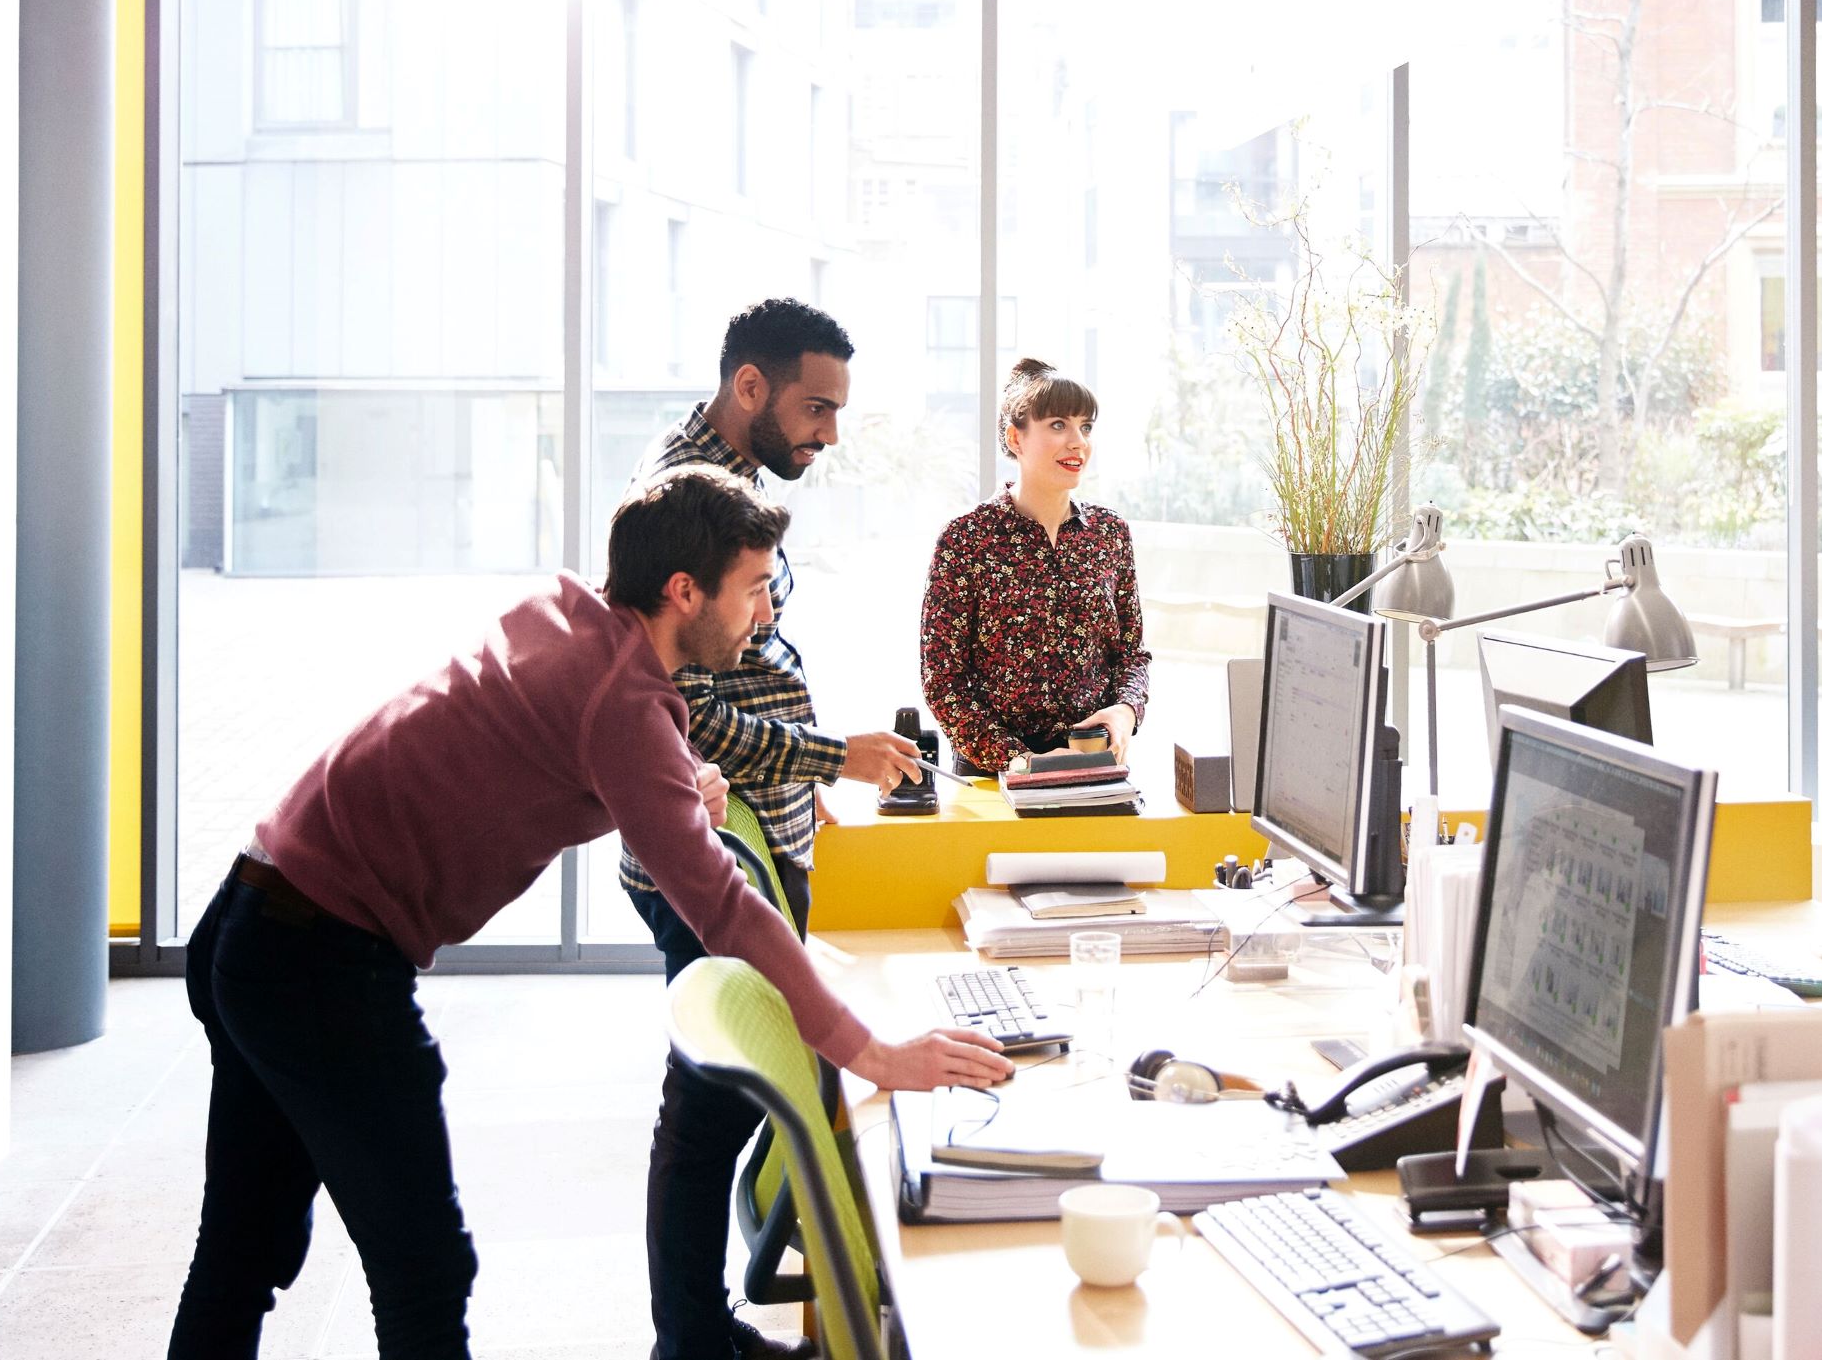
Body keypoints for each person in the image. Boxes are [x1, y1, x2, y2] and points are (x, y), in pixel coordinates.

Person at [166, 465, 1009, 1360]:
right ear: (685, 591)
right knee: (423, 1269)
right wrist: (870, 1051)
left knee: (242, 1246)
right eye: (755, 588)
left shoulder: (573, 616)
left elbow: (545, 740)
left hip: (254, 910)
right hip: (320, 957)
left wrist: (668, 783)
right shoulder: (626, 705)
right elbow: (724, 905)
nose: (765, 614)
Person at [618, 297, 925, 1360]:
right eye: (814, 408)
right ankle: (691, 1339)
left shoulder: (732, 483)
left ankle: (699, 1329)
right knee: (705, 1104)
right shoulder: (684, 496)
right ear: (748, 387)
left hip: (759, 822)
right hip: (701, 837)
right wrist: (823, 753)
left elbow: (749, 667)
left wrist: (808, 777)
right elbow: (684, 703)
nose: (828, 434)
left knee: (721, 1097)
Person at [920, 358, 1152, 774]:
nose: (1078, 441)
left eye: (1086, 426)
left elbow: (1131, 654)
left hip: (1093, 760)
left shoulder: (1110, 532)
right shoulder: (966, 539)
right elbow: (943, 681)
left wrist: (1125, 711)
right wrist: (1023, 762)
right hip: (995, 770)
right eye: (1058, 425)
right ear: (1016, 438)